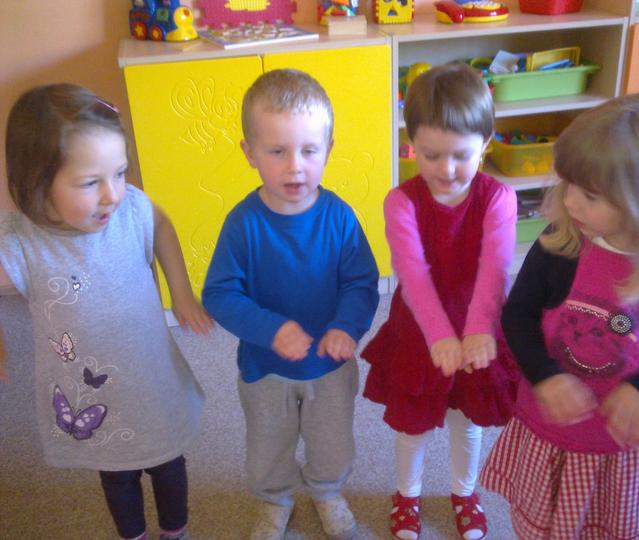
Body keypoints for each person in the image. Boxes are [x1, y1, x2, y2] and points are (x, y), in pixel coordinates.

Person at [479, 91, 639, 539]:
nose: (570, 202)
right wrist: (545, 376)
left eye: (590, 194)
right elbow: (517, 316)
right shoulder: (561, 241)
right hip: (547, 430)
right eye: (568, 184)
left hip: (618, 447)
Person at [0, 84, 212, 540]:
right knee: (116, 474)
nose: (112, 194)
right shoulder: (22, 243)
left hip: (149, 375)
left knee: (168, 460)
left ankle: (175, 532)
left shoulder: (130, 209)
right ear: (36, 182)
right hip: (91, 396)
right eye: (90, 182)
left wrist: (181, 293)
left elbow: (161, 224)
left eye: (119, 173)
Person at [201, 69, 380, 540]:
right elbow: (219, 293)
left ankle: (327, 491)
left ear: (329, 148)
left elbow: (362, 282)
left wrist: (346, 326)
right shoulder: (242, 223)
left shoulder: (340, 217)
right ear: (250, 154)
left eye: (309, 150)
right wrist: (270, 328)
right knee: (268, 446)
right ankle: (275, 498)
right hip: (265, 368)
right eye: (277, 151)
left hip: (330, 365)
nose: (295, 167)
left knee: (332, 443)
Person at [361, 63, 520, 540]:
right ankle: (406, 496)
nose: (446, 170)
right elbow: (412, 273)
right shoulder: (401, 201)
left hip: (478, 327)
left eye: (460, 156)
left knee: (466, 420)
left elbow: (494, 269)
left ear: (485, 144)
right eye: (430, 155)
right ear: (411, 143)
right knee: (412, 426)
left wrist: (476, 330)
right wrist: (439, 336)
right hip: (420, 329)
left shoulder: (499, 198)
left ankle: (464, 493)